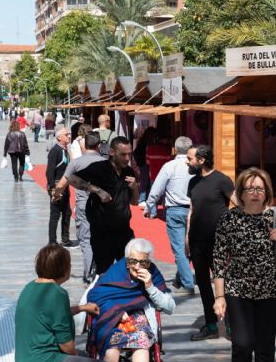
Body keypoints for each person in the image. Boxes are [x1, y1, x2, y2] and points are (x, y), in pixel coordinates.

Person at [213, 167, 276, 362]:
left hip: (271, 292)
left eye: (260, 189)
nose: (255, 193)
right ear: (241, 192)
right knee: (242, 344)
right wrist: (219, 296)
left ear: (267, 191)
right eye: (250, 188)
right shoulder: (229, 219)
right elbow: (218, 259)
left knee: (265, 346)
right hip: (238, 291)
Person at [15, 244, 113, 362]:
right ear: (62, 268)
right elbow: (66, 345)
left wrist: (83, 308)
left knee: (87, 357)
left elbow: (54, 314)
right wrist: (76, 358)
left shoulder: (31, 286)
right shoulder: (57, 294)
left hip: (24, 357)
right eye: (69, 264)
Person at [88, 238, 175, 362]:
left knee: (141, 340)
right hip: (113, 318)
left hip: (140, 319)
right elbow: (95, 295)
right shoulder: (116, 271)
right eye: (133, 261)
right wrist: (116, 311)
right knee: (112, 343)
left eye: (144, 262)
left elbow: (170, 307)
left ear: (149, 262)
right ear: (127, 260)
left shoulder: (153, 273)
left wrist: (150, 286)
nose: (138, 266)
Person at [64, 136, 139, 274]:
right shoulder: (100, 168)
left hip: (124, 232)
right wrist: (96, 190)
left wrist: (135, 187)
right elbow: (71, 178)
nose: (127, 158)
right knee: (104, 273)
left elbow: (134, 202)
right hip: (103, 233)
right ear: (112, 152)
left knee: (130, 272)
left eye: (129, 154)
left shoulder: (129, 171)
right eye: (123, 154)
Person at [186, 144, 236, 341]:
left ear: (202, 160)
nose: (187, 162)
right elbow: (192, 210)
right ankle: (211, 325)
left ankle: (232, 326)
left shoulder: (222, 181)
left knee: (225, 283)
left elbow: (238, 203)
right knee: (204, 285)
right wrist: (187, 237)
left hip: (219, 242)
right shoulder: (192, 182)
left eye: (190, 159)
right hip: (197, 242)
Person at [144, 136, 195, 295]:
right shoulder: (196, 166)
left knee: (179, 249)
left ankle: (187, 283)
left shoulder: (170, 166)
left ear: (175, 149)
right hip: (194, 210)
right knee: (189, 247)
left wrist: (149, 205)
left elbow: (157, 187)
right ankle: (180, 279)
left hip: (175, 210)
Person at [53, 132, 106, 284]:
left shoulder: (76, 163)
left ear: (84, 146)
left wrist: (56, 194)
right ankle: (99, 269)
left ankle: (89, 273)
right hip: (102, 207)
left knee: (86, 239)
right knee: (101, 238)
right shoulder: (105, 162)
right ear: (98, 146)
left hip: (83, 206)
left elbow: (63, 183)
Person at [47, 127, 74, 247]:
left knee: (67, 212)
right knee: (55, 214)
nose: (69, 136)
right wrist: (53, 188)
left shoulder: (65, 150)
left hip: (65, 186)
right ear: (59, 137)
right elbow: (49, 171)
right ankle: (52, 240)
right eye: (66, 134)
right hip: (57, 186)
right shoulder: (55, 151)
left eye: (69, 134)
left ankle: (65, 238)